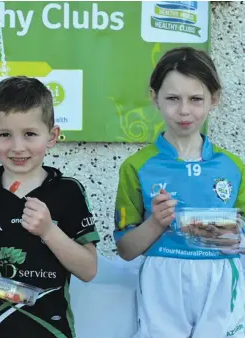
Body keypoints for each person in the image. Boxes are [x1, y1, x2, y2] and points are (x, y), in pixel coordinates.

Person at [0, 76, 100, 338]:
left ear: (52, 136)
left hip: (52, 329)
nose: (18, 147)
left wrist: (48, 231)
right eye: (5, 135)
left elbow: (88, 270)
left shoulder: (68, 192)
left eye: (30, 134)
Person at [114, 46, 245, 338]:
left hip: (222, 279)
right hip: (163, 281)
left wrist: (227, 233)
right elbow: (125, 250)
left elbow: (242, 235)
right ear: (154, 98)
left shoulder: (234, 167)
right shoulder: (137, 167)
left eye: (196, 99)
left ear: (215, 99)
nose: (184, 110)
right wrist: (155, 223)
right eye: (173, 98)